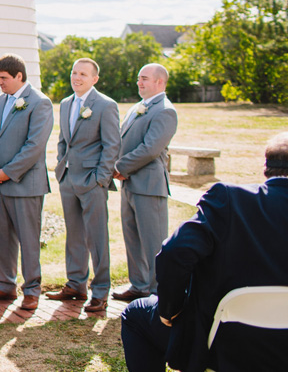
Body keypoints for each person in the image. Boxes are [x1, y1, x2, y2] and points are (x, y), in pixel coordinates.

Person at [120, 133, 288, 372]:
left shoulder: (229, 199)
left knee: (135, 315)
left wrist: (170, 309)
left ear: (266, 168)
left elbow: (174, 253)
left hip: (219, 344)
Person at [0, 53, 54, 311]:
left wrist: (8, 172)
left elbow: (34, 146)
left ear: (19, 76)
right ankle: (5, 285)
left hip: (24, 184)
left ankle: (32, 290)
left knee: (28, 239)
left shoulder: (39, 103)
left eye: (3, 78)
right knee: (1, 237)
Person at [45, 58, 120, 313]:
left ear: (94, 79)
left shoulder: (105, 105)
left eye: (83, 74)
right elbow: (64, 140)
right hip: (68, 179)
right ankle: (76, 285)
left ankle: (100, 292)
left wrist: (101, 178)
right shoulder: (66, 103)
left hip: (92, 181)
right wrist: (60, 167)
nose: (77, 78)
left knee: (97, 237)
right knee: (74, 235)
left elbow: (112, 145)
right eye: (74, 73)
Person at [112, 63, 178, 302]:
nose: (139, 82)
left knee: (153, 241)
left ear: (159, 82)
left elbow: (150, 149)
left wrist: (120, 167)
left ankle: (158, 291)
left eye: (145, 79)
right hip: (129, 183)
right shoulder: (138, 107)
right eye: (139, 78)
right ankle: (139, 285)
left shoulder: (165, 110)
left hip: (149, 185)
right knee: (132, 237)